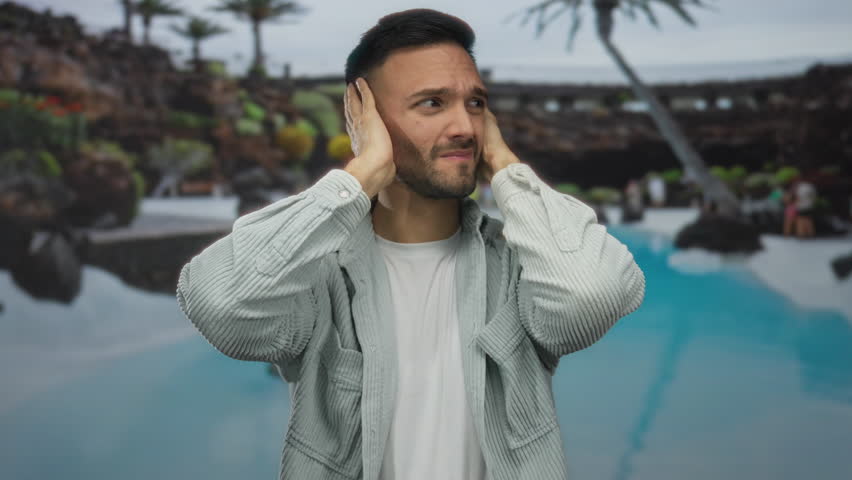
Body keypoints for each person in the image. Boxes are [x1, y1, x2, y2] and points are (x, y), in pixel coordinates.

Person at [176, 9, 645, 480]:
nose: (465, 126)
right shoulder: (318, 276)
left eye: (476, 103)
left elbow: (591, 297)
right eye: (433, 103)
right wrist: (359, 174)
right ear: (365, 119)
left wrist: (506, 168)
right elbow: (221, 303)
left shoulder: (521, 268)